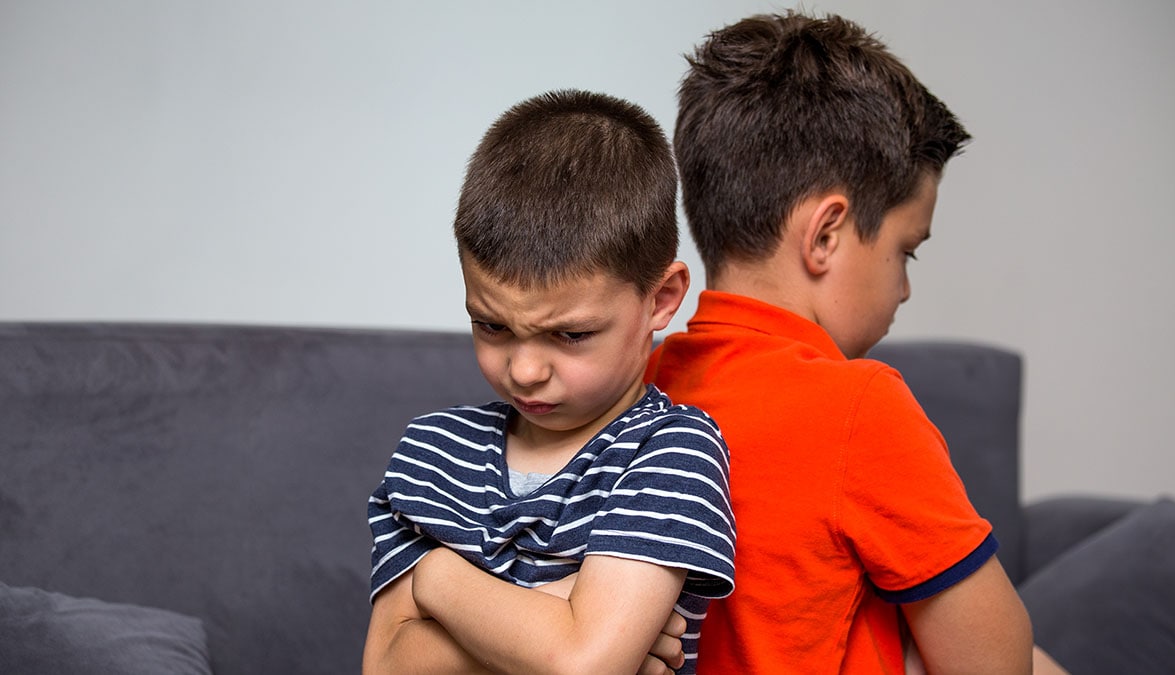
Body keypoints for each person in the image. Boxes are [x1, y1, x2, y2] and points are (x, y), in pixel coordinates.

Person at [647, 10, 1060, 674]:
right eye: (907, 252)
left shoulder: (641, 383)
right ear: (826, 236)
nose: (904, 290)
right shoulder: (860, 406)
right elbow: (995, 661)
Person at [363, 89, 736, 675]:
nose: (524, 370)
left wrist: (435, 582)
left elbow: (581, 665)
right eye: (491, 325)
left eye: (569, 335)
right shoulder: (431, 453)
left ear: (662, 300)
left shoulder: (671, 451)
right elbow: (385, 667)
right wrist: (557, 614)